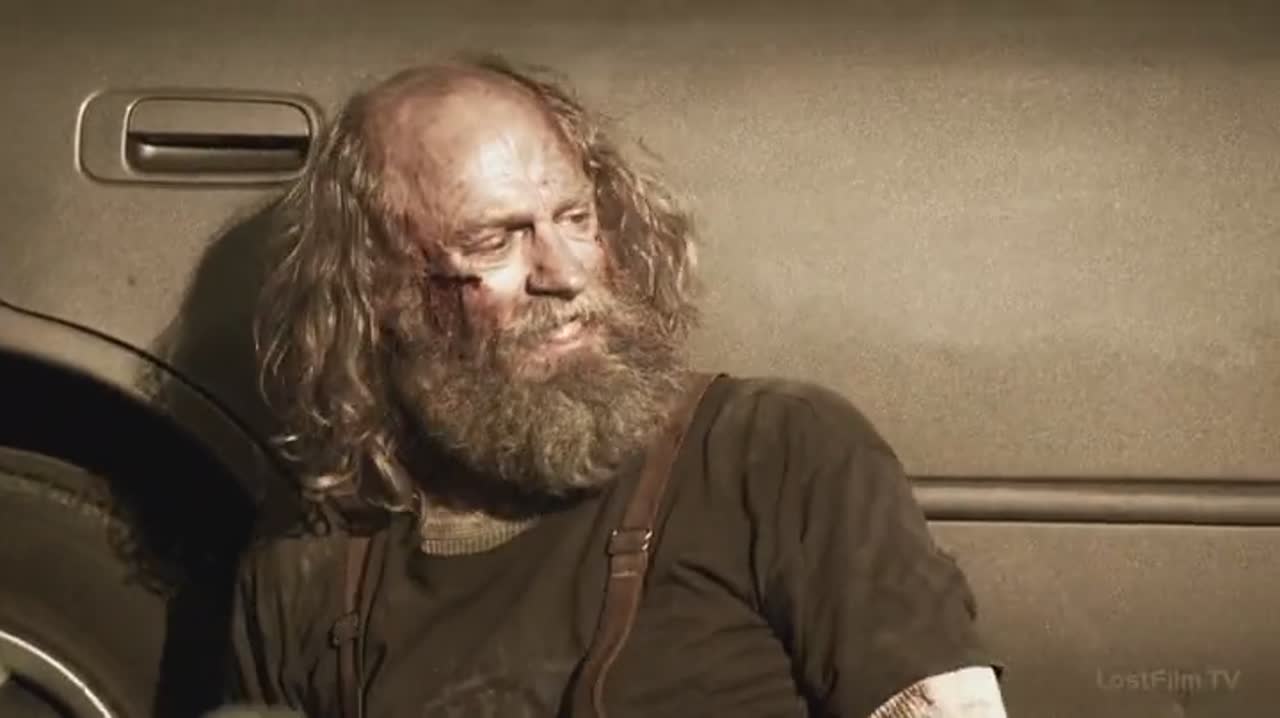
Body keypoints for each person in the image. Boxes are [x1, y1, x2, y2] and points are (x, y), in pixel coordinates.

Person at [226, 54, 1007, 717]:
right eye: (494, 240)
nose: (566, 272)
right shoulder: (314, 561)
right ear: (379, 290)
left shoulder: (776, 454)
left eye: (575, 218)